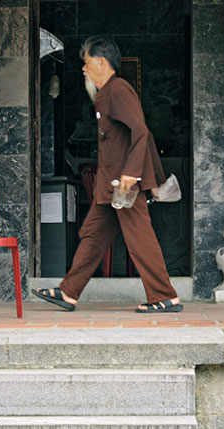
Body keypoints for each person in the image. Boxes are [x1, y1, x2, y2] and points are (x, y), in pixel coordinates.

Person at [32, 37, 182, 314]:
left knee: (140, 239)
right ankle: (68, 292)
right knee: (92, 236)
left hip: (124, 186)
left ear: (102, 62)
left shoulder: (118, 90)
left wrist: (131, 173)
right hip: (110, 186)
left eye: (87, 63)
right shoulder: (107, 93)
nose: (84, 69)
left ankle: (165, 296)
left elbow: (141, 131)